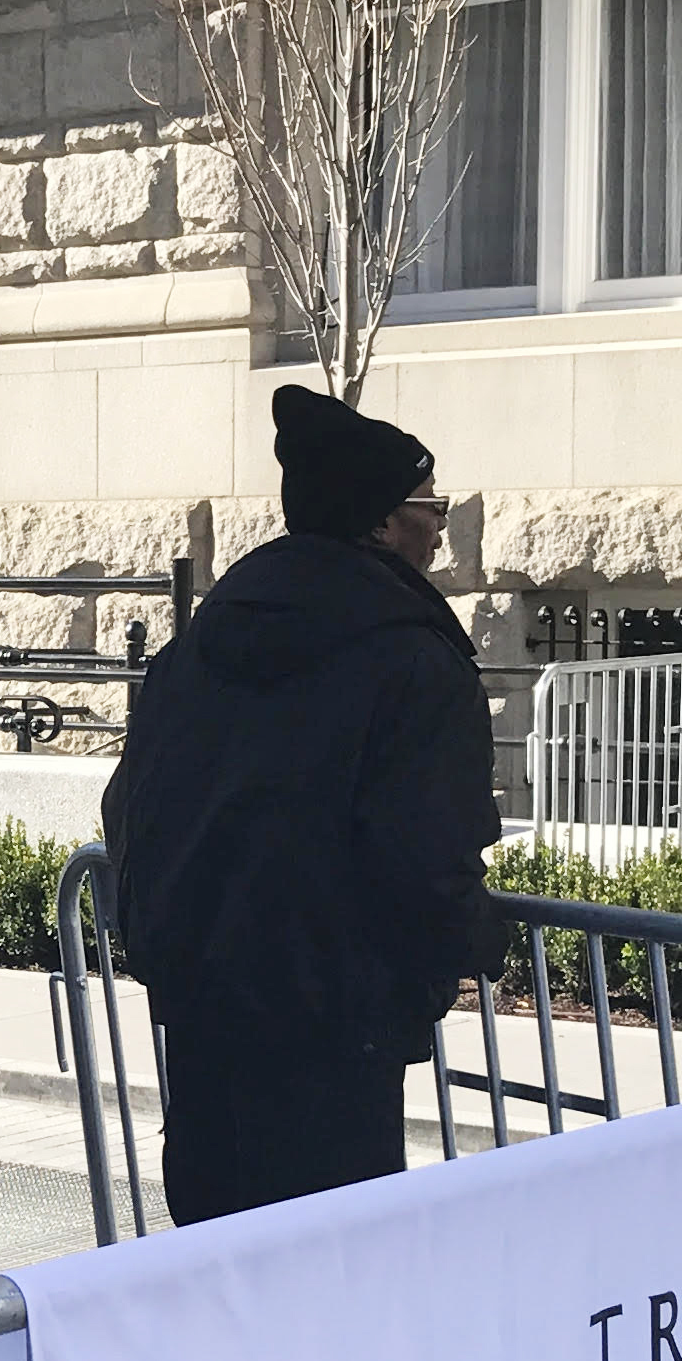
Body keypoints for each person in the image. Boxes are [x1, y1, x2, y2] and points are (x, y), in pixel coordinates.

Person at [100, 384, 504, 1225]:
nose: (441, 524)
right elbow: (427, 846)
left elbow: (130, 802)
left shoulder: (207, 639)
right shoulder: (411, 658)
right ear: (383, 523)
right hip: (337, 1019)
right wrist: (465, 943)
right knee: (330, 1273)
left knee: (215, 1261)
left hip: (205, 1008)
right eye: (429, 505)